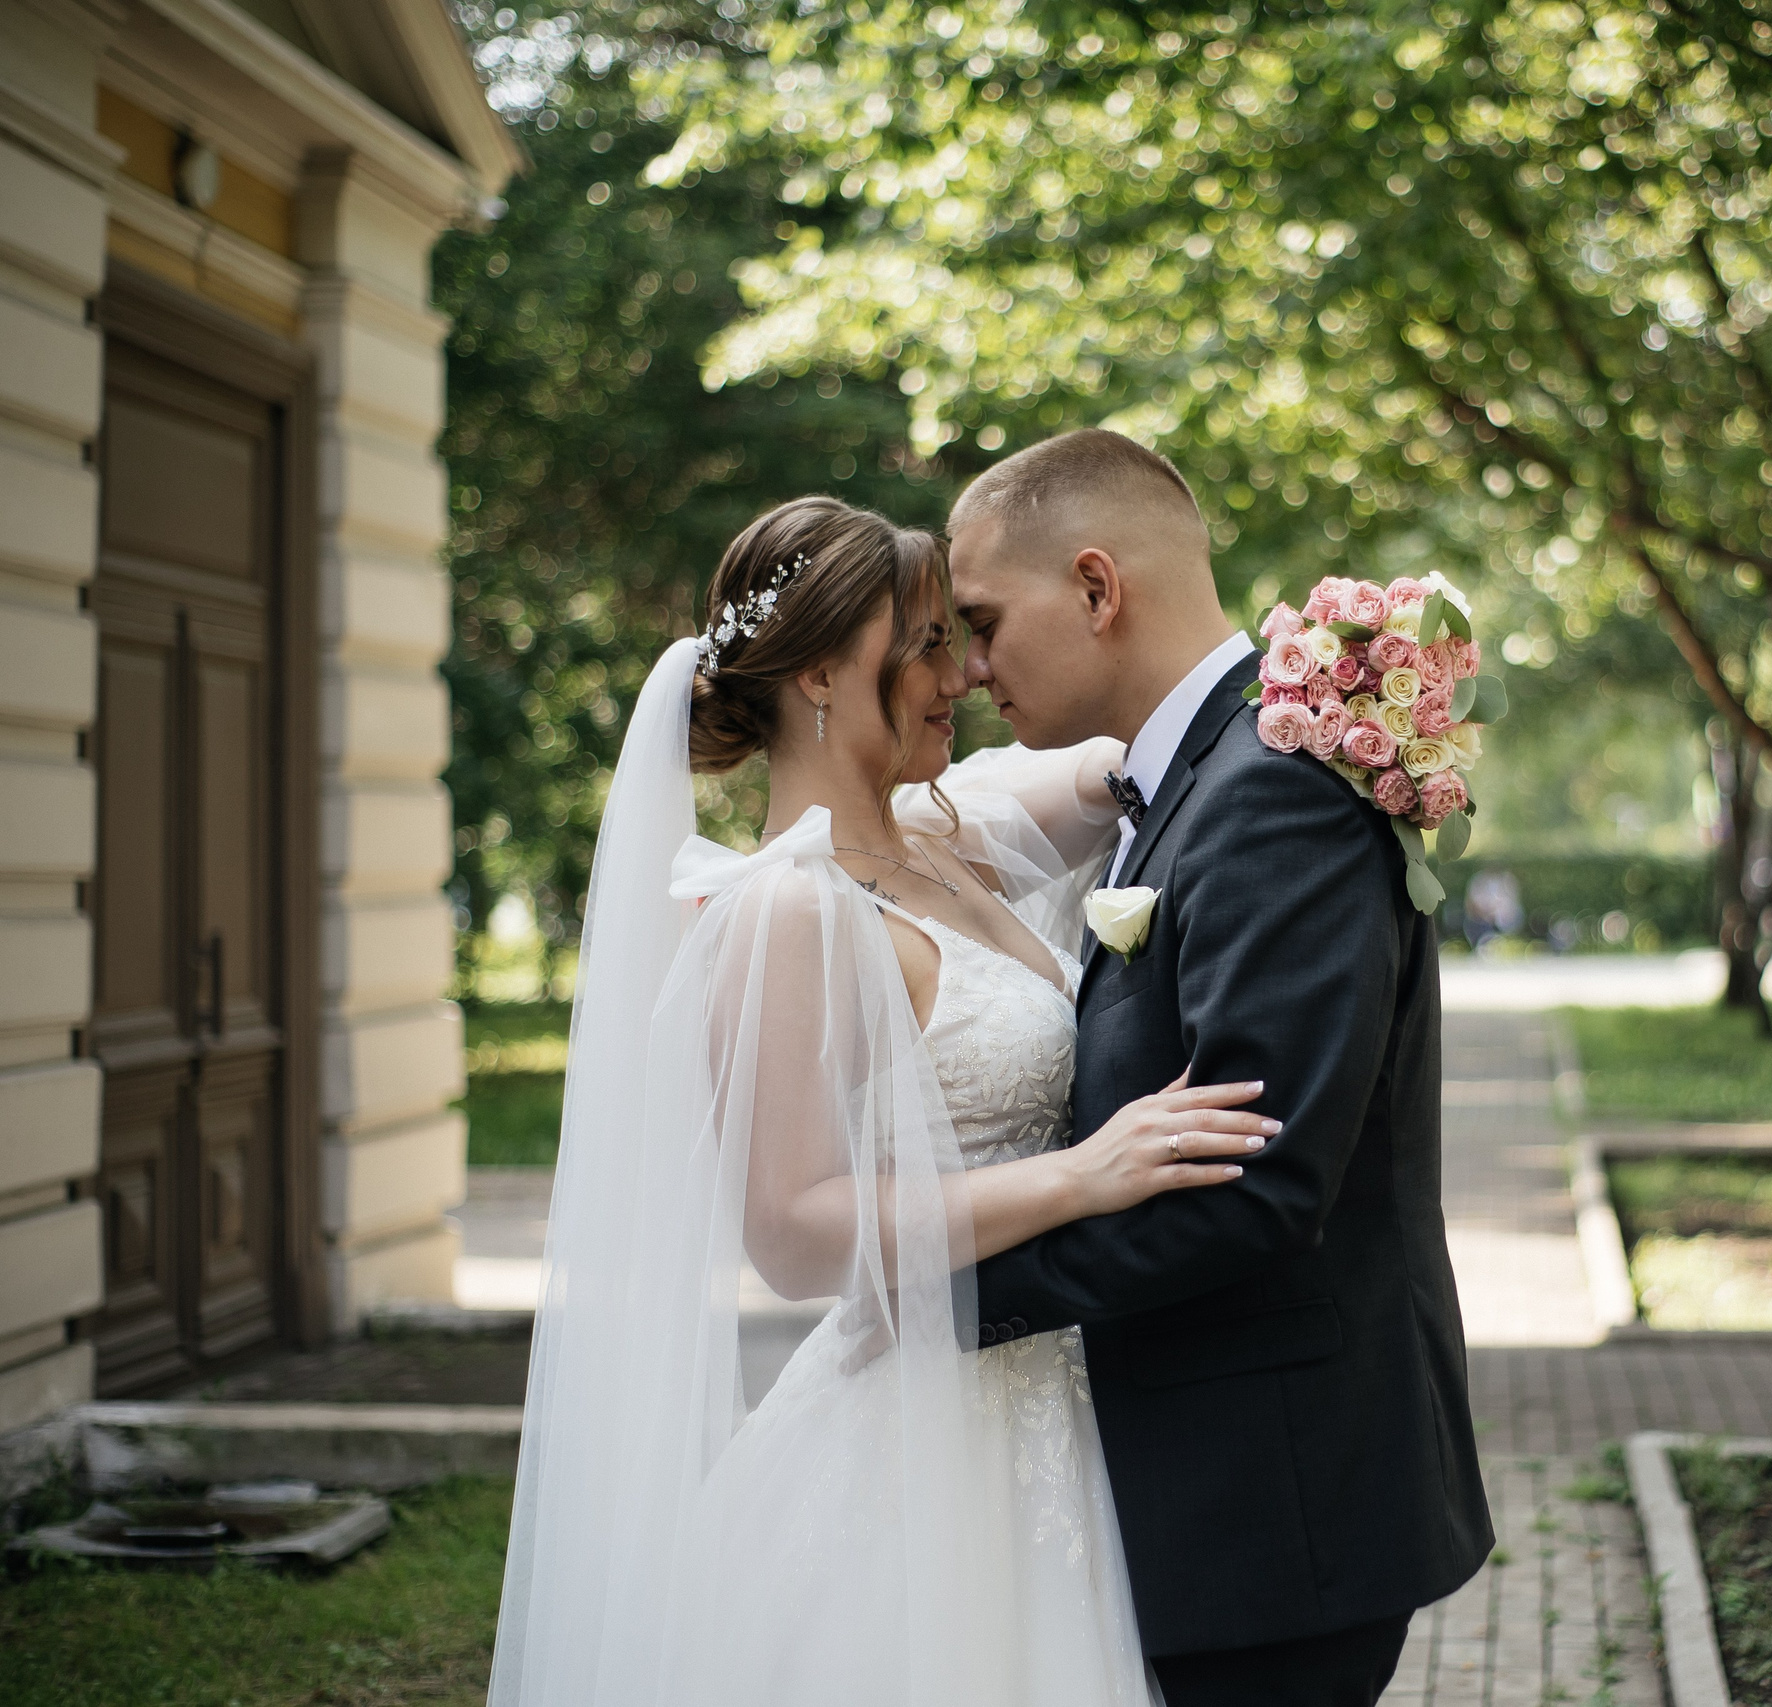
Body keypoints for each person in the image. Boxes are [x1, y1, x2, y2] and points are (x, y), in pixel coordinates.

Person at [490, 497, 1279, 1706]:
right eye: (921, 646)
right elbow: (796, 1233)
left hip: (1061, 1387)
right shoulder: (785, 912)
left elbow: (1147, 745)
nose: (957, 674)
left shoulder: (950, 832)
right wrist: (1082, 1174)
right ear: (818, 671)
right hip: (918, 1445)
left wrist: (1325, 675)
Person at [950, 429, 1493, 1707]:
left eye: (981, 622)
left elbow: (1259, 1183)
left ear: (1095, 589)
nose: (969, 670)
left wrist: (957, 1304)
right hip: (1224, 1494)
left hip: (1275, 1503)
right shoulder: (1200, 780)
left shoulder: (1270, 792)